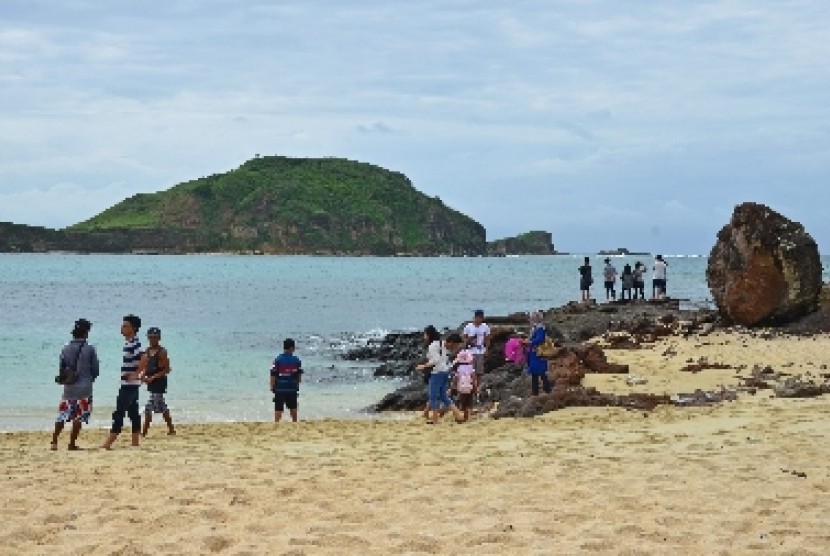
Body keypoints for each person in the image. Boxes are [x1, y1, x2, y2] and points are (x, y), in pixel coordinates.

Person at [51, 318, 99, 451]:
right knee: (79, 416)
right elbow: (95, 369)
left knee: (63, 414)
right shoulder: (89, 348)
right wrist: (89, 379)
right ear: (86, 332)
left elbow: (62, 368)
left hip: (69, 387)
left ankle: (54, 441)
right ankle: (71, 443)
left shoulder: (65, 348)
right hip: (85, 388)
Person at [102, 314, 143, 450]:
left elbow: (144, 357)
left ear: (133, 328)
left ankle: (108, 443)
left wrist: (136, 374)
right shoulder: (130, 342)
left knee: (119, 413)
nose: (122, 328)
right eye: (123, 325)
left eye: (126, 326)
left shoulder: (134, 343)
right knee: (133, 412)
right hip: (131, 385)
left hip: (129, 386)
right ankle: (135, 442)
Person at [415, 325, 463, 424]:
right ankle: (458, 414)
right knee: (443, 396)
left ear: (429, 335)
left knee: (433, 396)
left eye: (425, 334)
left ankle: (435, 419)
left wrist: (423, 366)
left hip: (437, 373)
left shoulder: (433, 345)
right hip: (445, 371)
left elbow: (435, 360)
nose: (424, 336)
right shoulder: (441, 343)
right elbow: (443, 358)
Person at [139, 327, 175, 437]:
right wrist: (143, 376)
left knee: (148, 408)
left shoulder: (162, 352)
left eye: (155, 337)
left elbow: (167, 369)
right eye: (150, 337)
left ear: (159, 338)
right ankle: (171, 429)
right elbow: (146, 367)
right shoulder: (147, 351)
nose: (152, 339)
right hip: (151, 383)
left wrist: (153, 377)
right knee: (162, 407)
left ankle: (144, 432)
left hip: (159, 383)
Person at [270, 338, 303, 422]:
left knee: (278, 408)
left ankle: (277, 422)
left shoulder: (277, 360)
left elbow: (273, 374)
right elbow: (299, 375)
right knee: (293, 407)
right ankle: (294, 422)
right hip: (292, 387)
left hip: (280, 388)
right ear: (292, 348)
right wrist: (297, 385)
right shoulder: (296, 360)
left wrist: (272, 386)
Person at [525, 311, 552, 395]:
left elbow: (540, 339)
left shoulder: (540, 328)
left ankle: (546, 390)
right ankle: (536, 392)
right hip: (534, 353)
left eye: (531, 318)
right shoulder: (535, 328)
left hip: (538, 353)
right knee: (535, 374)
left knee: (541, 373)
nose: (530, 319)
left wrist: (530, 342)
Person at [462, 309, 491, 376]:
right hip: (470, 350)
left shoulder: (485, 327)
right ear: (475, 317)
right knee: (470, 369)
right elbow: (464, 338)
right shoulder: (468, 326)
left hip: (480, 350)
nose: (479, 320)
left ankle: (477, 385)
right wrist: (469, 340)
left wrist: (487, 349)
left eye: (481, 318)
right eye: (478, 318)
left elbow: (487, 339)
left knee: (479, 371)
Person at [452, 349, 477, 422]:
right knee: (469, 403)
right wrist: (475, 387)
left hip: (461, 388)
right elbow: (474, 378)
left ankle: (461, 417)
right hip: (470, 387)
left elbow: (456, 378)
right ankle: (468, 417)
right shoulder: (471, 368)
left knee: (462, 402)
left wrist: (453, 386)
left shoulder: (459, 369)